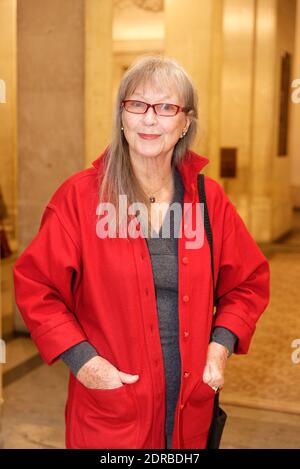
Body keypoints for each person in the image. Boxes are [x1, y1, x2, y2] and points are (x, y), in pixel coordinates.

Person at [13, 56, 270, 449]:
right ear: (121, 116)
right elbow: (36, 288)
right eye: (137, 104)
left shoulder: (208, 201)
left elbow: (248, 283)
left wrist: (220, 347)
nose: (150, 119)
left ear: (185, 122)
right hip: (112, 408)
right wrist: (86, 364)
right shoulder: (80, 198)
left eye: (167, 107)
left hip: (189, 408)